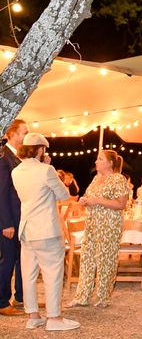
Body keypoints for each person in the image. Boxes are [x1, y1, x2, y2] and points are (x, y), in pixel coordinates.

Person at [12, 133, 80, 331]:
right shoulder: (47, 170)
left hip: (26, 230)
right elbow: (64, 194)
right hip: (47, 231)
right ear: (40, 149)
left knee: (28, 274)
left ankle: (33, 316)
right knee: (52, 273)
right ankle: (54, 319)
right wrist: (50, 169)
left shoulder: (16, 171)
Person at [67, 150, 129, 308]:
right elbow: (90, 197)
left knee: (105, 260)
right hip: (92, 224)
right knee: (87, 259)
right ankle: (82, 296)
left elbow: (121, 204)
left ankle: (103, 297)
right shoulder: (96, 178)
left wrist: (98, 201)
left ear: (110, 163)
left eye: (100, 159)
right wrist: (84, 200)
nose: (96, 162)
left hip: (109, 226)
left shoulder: (118, 179)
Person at [0, 118, 28, 316]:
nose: (26, 136)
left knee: (20, 258)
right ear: (13, 133)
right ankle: (1, 302)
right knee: (8, 260)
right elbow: (1, 193)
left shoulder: (18, 157)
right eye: (24, 132)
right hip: (9, 220)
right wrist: (7, 223)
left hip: (20, 217)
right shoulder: (3, 158)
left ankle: (19, 298)